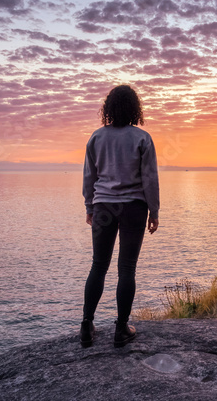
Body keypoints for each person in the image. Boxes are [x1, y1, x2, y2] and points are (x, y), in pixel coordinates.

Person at [81, 84, 160, 348]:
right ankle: (121, 329)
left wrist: (90, 207)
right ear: (135, 108)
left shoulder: (96, 137)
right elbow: (150, 179)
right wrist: (154, 210)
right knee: (126, 268)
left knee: (98, 265)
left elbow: (89, 176)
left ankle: (86, 324)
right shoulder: (142, 138)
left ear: (108, 108)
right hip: (133, 207)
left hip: (104, 206)